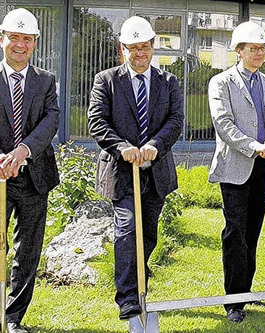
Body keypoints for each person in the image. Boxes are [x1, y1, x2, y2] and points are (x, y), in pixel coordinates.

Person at [87, 16, 183, 321]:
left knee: (149, 233)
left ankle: (140, 275)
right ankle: (128, 297)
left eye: (144, 47)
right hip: (121, 171)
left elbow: (175, 121)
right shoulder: (106, 81)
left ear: (153, 47)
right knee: (127, 228)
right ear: (122, 50)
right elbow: (97, 121)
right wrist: (122, 147)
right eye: (133, 48)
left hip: (156, 171)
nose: (139, 53)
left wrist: (155, 145)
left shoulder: (168, 82)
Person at [208, 21, 265, 323]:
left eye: (263, 48)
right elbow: (223, 124)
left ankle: (246, 290)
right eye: (253, 48)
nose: (259, 52)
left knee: (252, 233)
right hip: (236, 167)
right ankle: (234, 299)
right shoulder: (221, 83)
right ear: (238, 51)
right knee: (235, 233)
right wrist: (254, 145)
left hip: (263, 168)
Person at [0, 8, 60, 333]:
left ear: (34, 43)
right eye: (14, 37)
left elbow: (51, 120)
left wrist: (23, 151)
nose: (20, 44)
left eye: (27, 38)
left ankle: (12, 318)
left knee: (28, 251)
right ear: (2, 39)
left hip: (35, 178)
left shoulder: (46, 80)